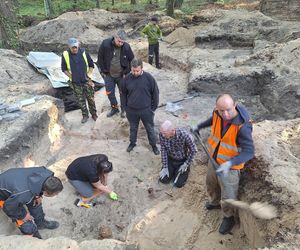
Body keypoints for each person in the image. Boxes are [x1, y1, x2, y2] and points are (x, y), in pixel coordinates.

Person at [192, 94, 254, 235]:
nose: (225, 114)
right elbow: (212, 120)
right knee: (211, 183)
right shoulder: (217, 113)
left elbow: (249, 152)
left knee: (228, 195)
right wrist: (199, 126)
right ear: (216, 108)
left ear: (235, 105)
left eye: (228, 110)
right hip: (213, 159)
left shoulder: (243, 127)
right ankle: (214, 202)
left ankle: (229, 217)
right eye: (221, 111)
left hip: (230, 168)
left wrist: (230, 163)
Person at [0, 167, 63, 239]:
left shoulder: (44, 174)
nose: (57, 195)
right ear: (46, 193)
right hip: (4, 197)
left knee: (36, 204)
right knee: (26, 223)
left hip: (17, 188)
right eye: (55, 194)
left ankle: (40, 223)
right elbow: (8, 207)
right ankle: (34, 237)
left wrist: (38, 195)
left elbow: (35, 186)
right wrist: (23, 215)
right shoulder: (23, 194)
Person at [122, 58, 160, 155]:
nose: (135, 73)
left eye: (137, 71)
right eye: (133, 70)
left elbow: (155, 93)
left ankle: (153, 145)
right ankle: (132, 143)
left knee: (150, 129)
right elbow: (123, 94)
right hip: (131, 111)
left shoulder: (149, 78)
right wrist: (125, 108)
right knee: (133, 128)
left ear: (141, 68)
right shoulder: (127, 79)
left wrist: (153, 108)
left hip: (146, 110)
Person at [97, 30, 134, 118]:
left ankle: (124, 109)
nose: (121, 43)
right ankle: (114, 108)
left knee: (123, 93)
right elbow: (100, 58)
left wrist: (127, 72)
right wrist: (102, 72)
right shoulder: (105, 44)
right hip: (108, 75)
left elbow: (131, 60)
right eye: (119, 41)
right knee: (110, 93)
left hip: (121, 75)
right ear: (115, 37)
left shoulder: (126, 47)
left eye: (122, 42)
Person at [61, 38, 97, 123]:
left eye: (76, 47)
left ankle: (94, 114)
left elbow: (91, 65)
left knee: (91, 99)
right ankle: (85, 115)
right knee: (80, 100)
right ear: (69, 47)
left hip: (86, 81)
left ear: (78, 46)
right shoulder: (65, 55)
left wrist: (89, 75)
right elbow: (64, 69)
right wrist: (71, 77)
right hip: (75, 83)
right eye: (73, 48)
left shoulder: (84, 52)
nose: (74, 49)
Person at [159, 120, 197, 188]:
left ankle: (185, 170)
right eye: (162, 133)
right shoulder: (162, 135)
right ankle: (172, 171)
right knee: (163, 180)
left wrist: (186, 164)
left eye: (164, 133)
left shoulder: (184, 135)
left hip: (182, 161)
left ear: (172, 130)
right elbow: (163, 150)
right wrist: (165, 166)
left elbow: (194, 150)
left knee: (178, 184)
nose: (162, 135)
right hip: (170, 159)